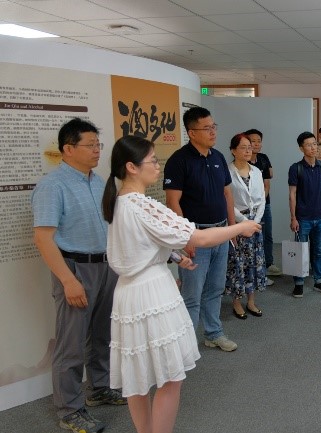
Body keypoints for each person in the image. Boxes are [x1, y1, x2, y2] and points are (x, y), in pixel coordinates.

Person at [102, 135, 260, 433]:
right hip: (152, 293)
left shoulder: (120, 202)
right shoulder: (141, 205)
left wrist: (174, 256)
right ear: (131, 167)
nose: (157, 166)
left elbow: (140, 244)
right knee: (170, 378)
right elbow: (198, 237)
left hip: (129, 293)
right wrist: (240, 227)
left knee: (138, 378)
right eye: (152, 161)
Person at [32, 118, 126, 433]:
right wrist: (68, 280)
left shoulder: (99, 182)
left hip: (105, 266)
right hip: (75, 268)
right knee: (70, 344)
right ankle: (70, 410)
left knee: (102, 335)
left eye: (99, 145)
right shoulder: (53, 185)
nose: (97, 150)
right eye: (90, 145)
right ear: (68, 149)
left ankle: (99, 388)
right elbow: (43, 238)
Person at [163, 106, 238, 352]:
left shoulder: (218, 157)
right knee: (192, 295)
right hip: (196, 236)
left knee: (215, 289)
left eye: (214, 126)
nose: (213, 132)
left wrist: (232, 229)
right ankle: (185, 346)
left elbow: (227, 194)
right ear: (192, 132)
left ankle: (214, 333)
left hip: (220, 233)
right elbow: (173, 201)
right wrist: (185, 237)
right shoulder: (179, 161)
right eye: (207, 128)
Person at [226, 133, 267, 319]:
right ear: (233, 150)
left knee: (254, 262)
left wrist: (255, 221)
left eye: (249, 147)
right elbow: (226, 200)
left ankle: (251, 301)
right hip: (237, 222)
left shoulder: (256, 171)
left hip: (255, 223)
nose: (248, 150)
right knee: (237, 263)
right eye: (243, 147)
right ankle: (236, 302)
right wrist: (244, 221)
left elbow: (262, 199)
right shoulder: (227, 171)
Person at [288, 131, 321, 297]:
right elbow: (292, 194)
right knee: (300, 251)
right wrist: (293, 217)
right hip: (303, 218)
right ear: (301, 148)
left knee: (319, 251)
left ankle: (319, 281)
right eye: (309, 145)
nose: (313, 147)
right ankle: (299, 283)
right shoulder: (296, 168)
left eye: (314, 143)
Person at [246, 128, 282, 283]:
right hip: (247, 208)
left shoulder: (263, 158)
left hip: (264, 204)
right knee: (252, 239)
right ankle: (255, 270)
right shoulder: (243, 161)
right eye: (252, 141)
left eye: (258, 141)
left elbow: (267, 182)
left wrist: (261, 202)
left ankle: (269, 264)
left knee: (267, 235)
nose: (256, 144)